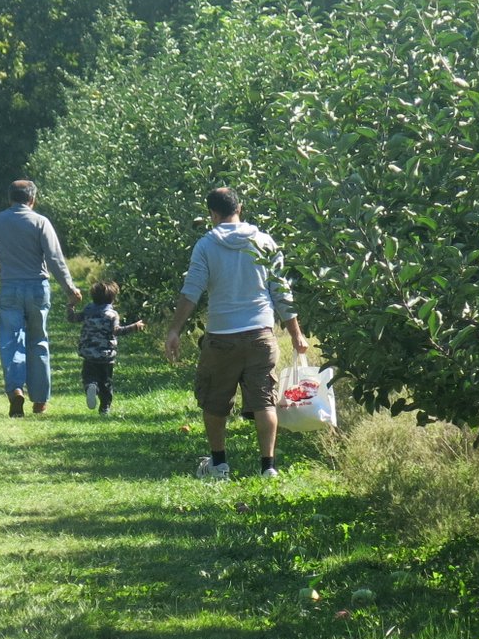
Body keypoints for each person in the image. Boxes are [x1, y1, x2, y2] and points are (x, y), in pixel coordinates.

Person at [164, 186, 308, 479]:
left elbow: (191, 290)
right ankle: (268, 467)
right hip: (261, 335)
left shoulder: (206, 246)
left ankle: (219, 464)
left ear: (213, 214)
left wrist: (174, 330)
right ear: (239, 208)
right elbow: (281, 292)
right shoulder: (265, 242)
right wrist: (296, 334)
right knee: (264, 400)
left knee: (215, 401)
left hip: (222, 337)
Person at [0, 179, 83, 417]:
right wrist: (70, 288)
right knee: (38, 341)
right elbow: (55, 259)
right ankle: (40, 400)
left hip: (9, 288)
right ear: (32, 199)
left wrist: (0, 249)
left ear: (10, 198)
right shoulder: (40, 222)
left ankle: (15, 390)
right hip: (37, 287)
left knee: (10, 340)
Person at [67, 280, 145, 415]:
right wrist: (134, 327)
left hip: (89, 354)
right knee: (106, 383)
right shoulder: (112, 315)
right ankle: (105, 408)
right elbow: (117, 331)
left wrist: (71, 305)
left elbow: (72, 318)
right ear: (113, 298)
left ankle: (91, 387)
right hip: (106, 356)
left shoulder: (88, 311)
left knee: (89, 377)